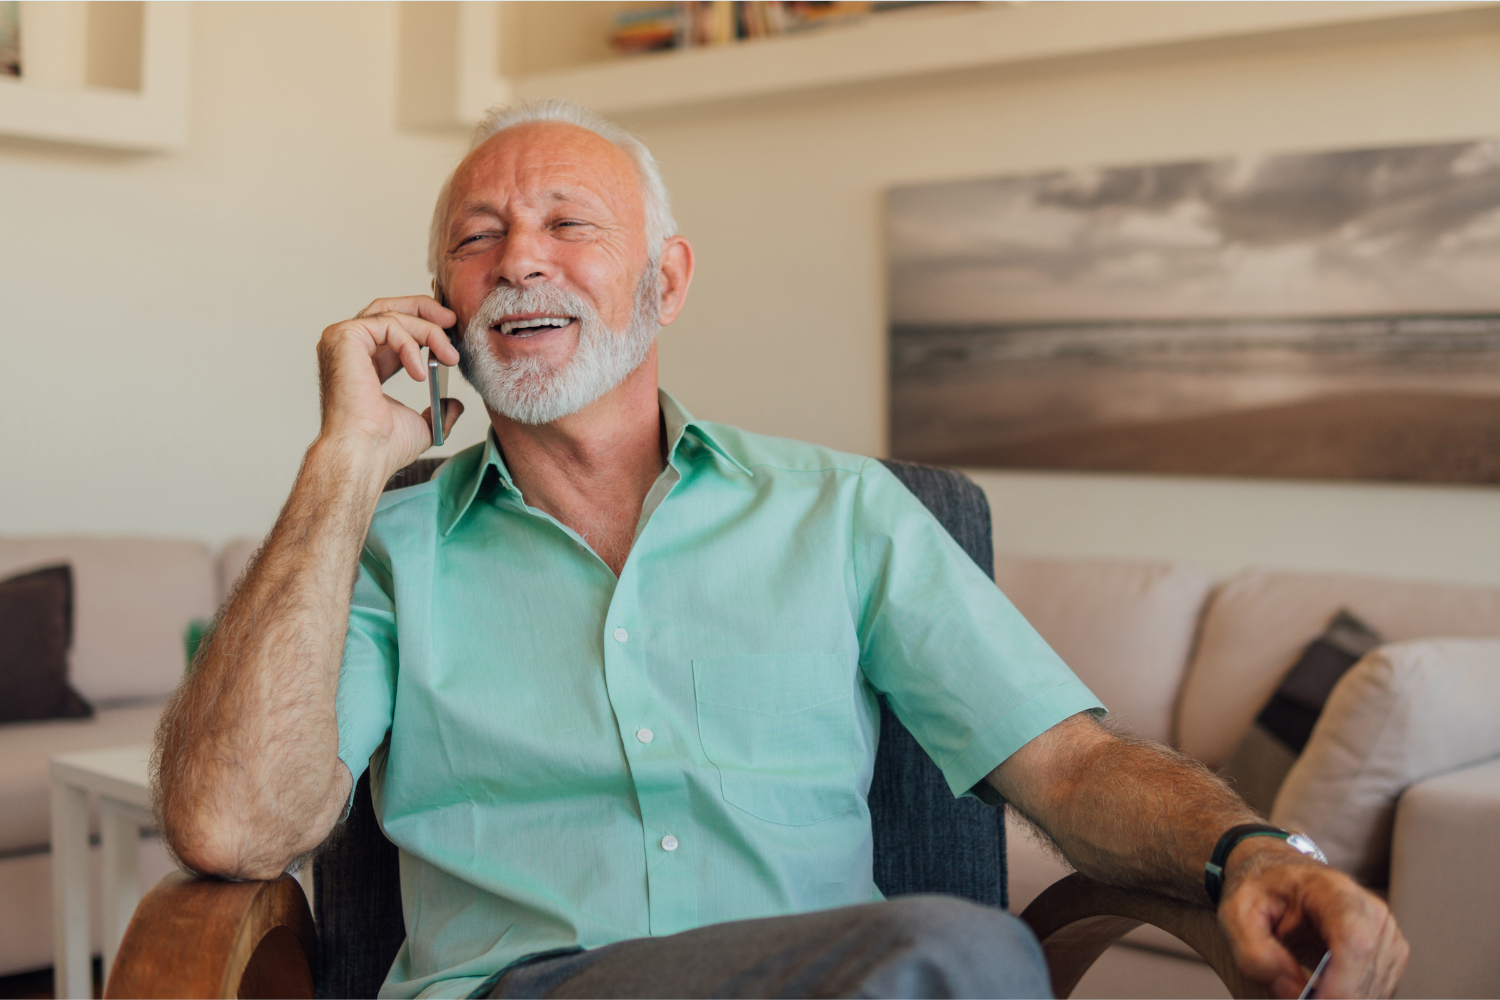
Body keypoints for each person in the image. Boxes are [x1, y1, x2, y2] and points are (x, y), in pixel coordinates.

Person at [154, 100, 1407, 1000]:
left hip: (834, 982)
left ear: (668, 278)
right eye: (477, 237)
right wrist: (345, 461)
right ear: (439, 304)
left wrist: (1249, 852)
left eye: (566, 222)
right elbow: (230, 827)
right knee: (970, 958)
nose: (519, 257)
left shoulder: (843, 513)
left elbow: (1071, 766)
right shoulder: (387, 545)